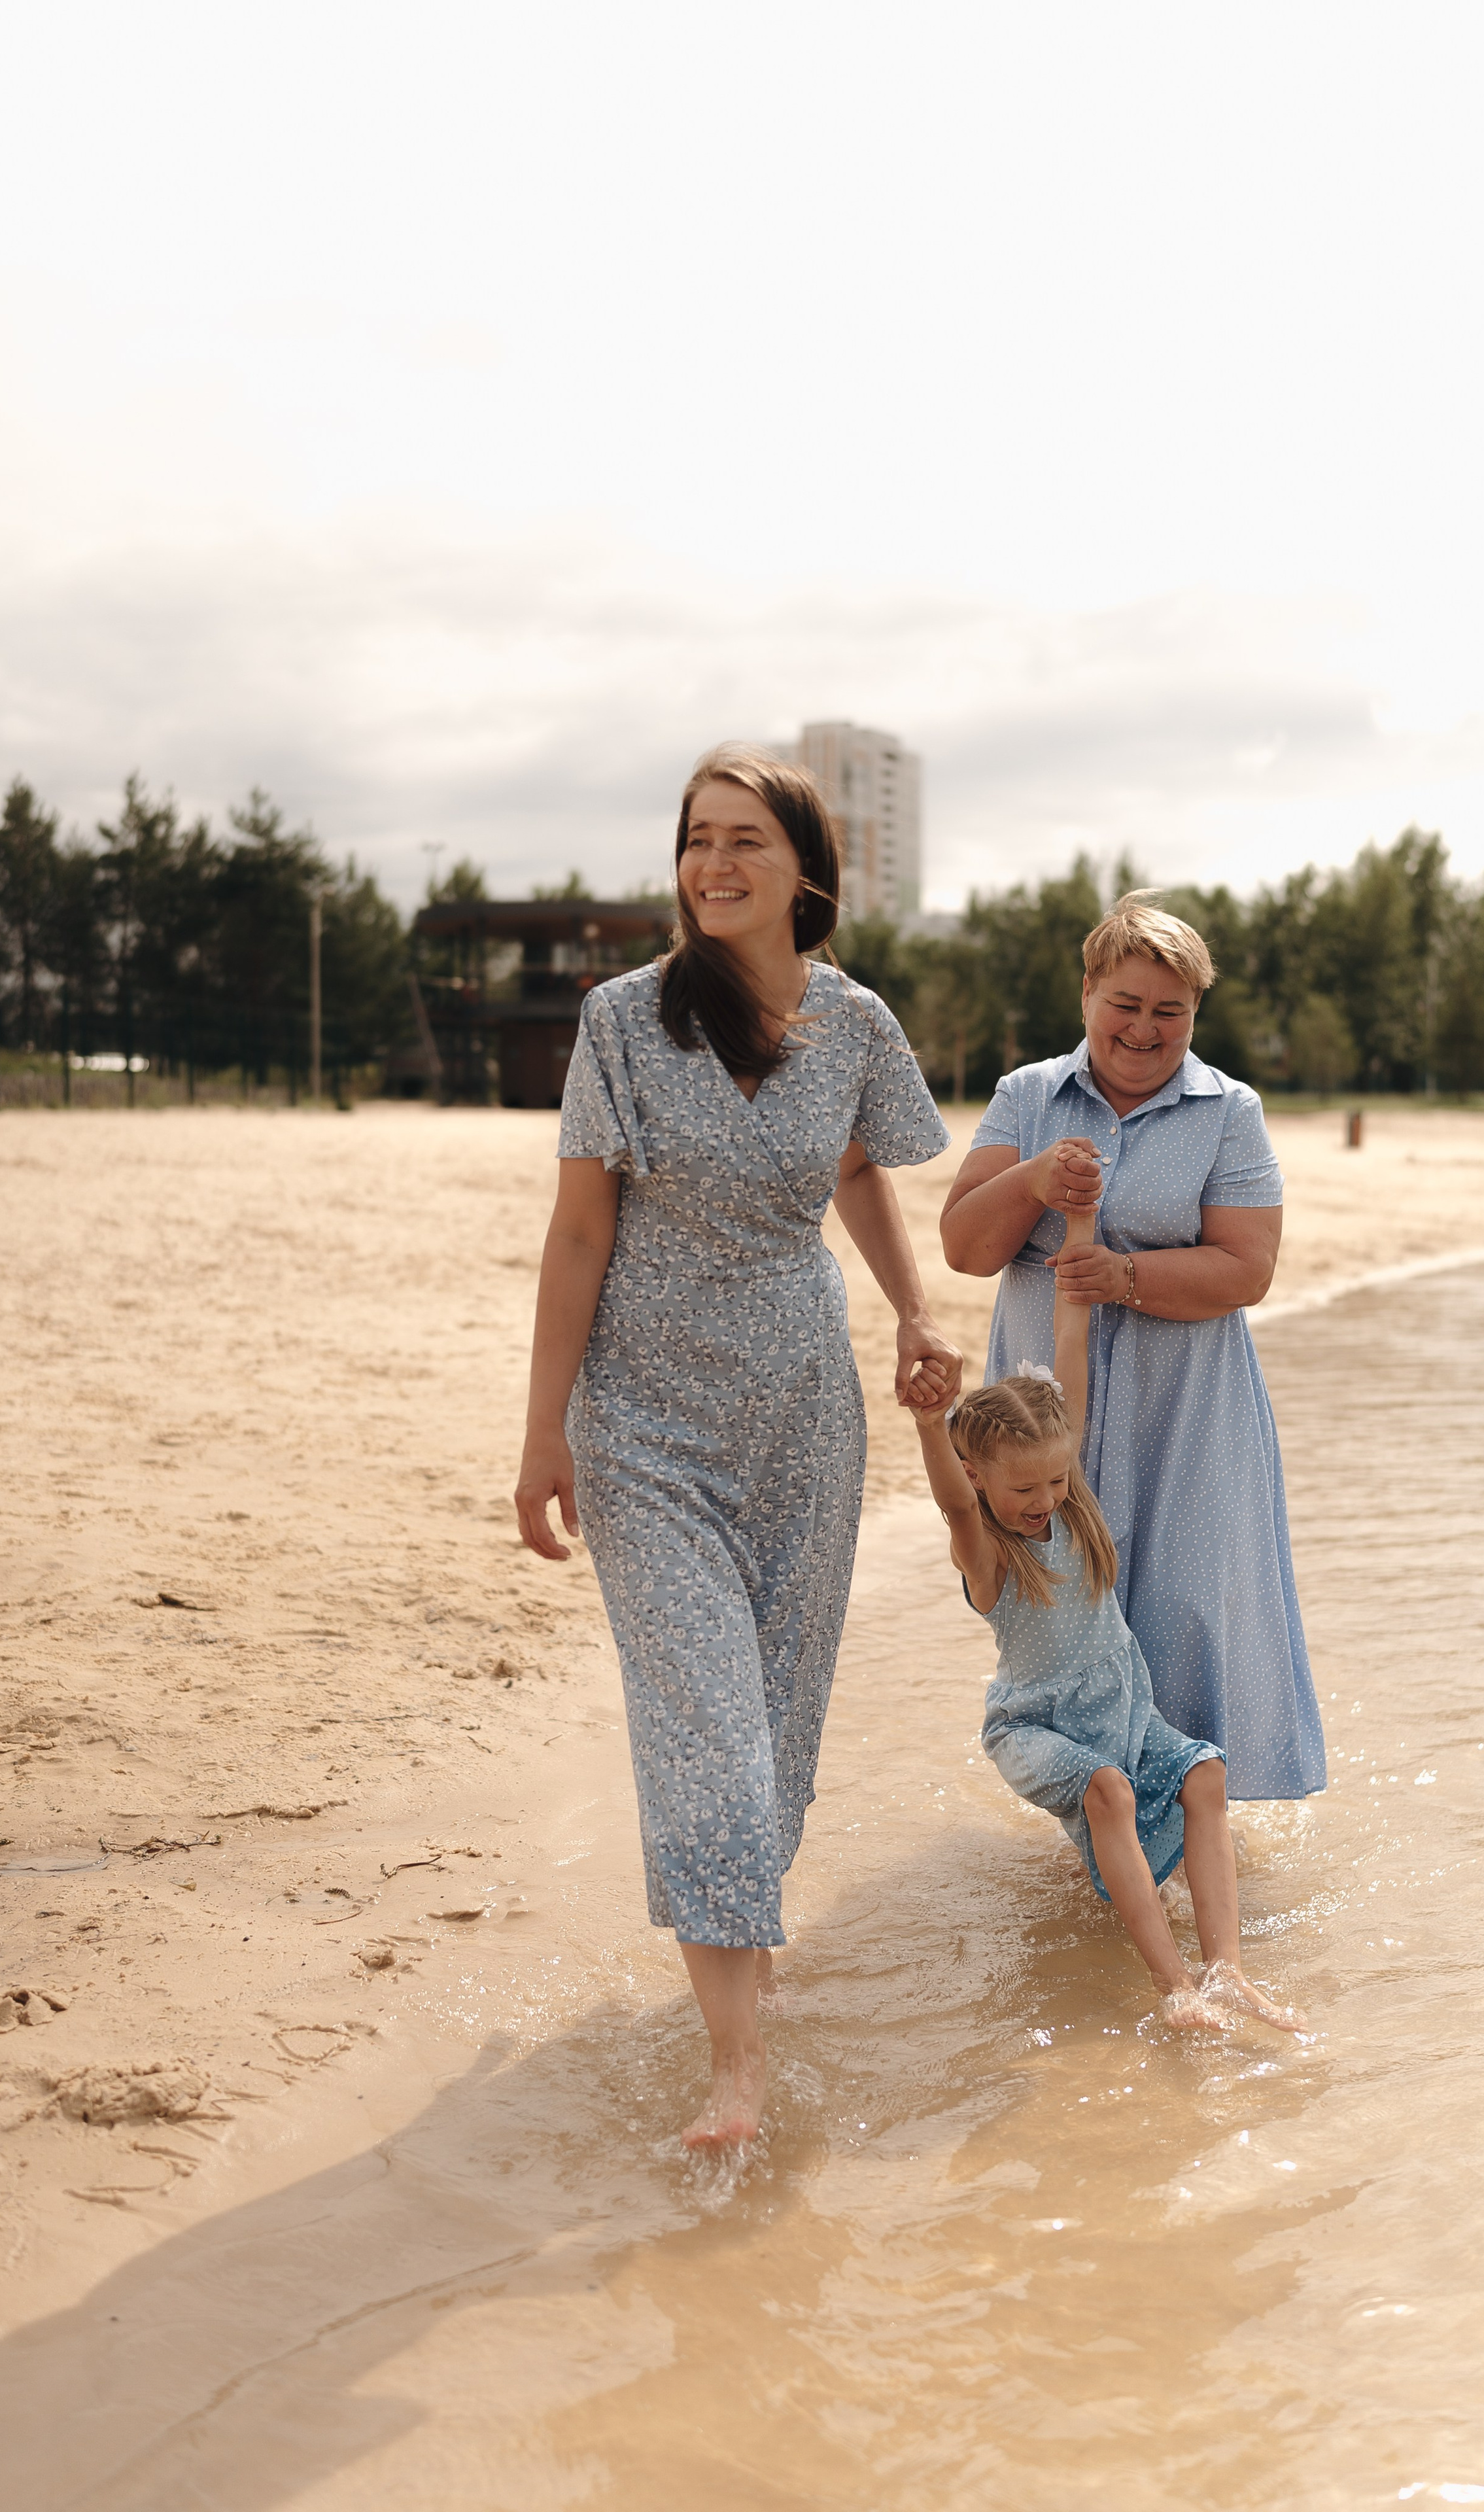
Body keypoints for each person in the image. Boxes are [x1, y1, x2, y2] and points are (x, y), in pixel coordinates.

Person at [515, 744, 959, 2151]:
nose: (712, 864)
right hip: (643, 1427)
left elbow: (855, 1174)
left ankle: (736, 1981)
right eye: (696, 839)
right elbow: (581, 1229)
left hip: (803, 1428)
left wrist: (910, 1311)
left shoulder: (853, 1023)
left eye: (742, 842)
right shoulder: (622, 1021)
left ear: (803, 870)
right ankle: (735, 2073)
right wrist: (543, 1434)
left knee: (771, 1733)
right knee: (704, 1722)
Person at [940, 892, 1325, 1802]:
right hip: (1043, 1423)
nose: (1146, 1029)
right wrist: (1034, 1177)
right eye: (1128, 1004)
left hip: (1186, 1410)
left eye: (1170, 1011)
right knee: (1062, 1617)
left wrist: (1126, 1279)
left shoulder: (1230, 1112)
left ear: (1195, 1014)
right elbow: (965, 1248)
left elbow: (1249, 1268)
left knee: (1188, 1612)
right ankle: (1100, 1832)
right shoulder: (1026, 1097)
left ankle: (1195, 1835)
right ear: (1088, 995)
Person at [910, 1199, 1299, 2032]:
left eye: (1055, 1481)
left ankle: (1225, 1971)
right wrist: (923, 1419)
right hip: (1038, 1721)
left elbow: (1069, 1347)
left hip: (1120, 1701)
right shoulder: (989, 1550)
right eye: (1024, 1489)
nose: (1045, 1501)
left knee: (1205, 1774)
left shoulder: (1066, 1498)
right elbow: (949, 1507)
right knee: (1108, 1789)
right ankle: (1173, 1990)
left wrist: (1080, 1222)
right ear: (978, 1476)